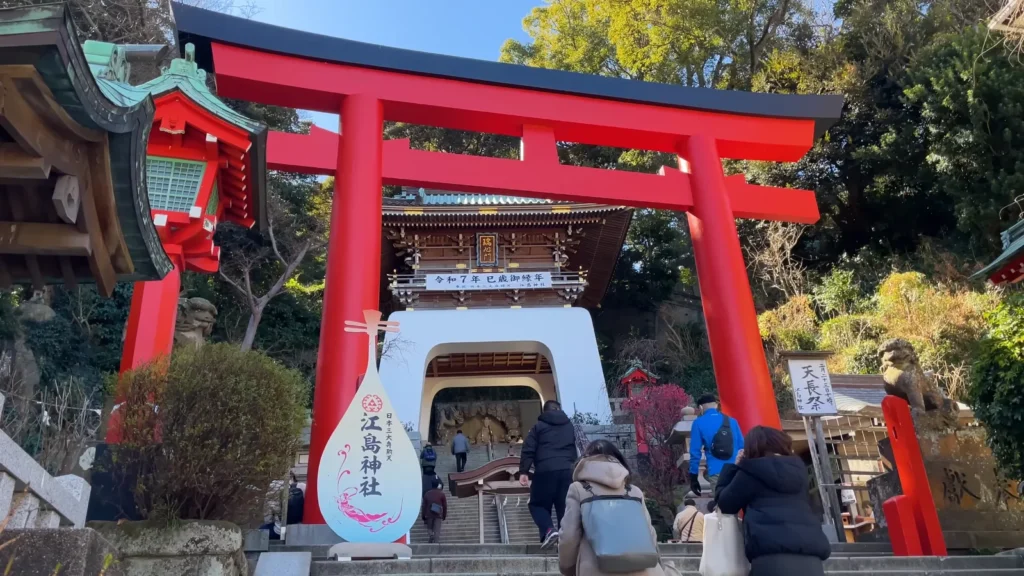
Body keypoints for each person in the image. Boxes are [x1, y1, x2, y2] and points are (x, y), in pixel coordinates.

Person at [714, 426, 831, 576]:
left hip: (770, 558)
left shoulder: (751, 471)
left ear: (751, 447)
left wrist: (732, 468)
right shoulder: (799, 471)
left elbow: (726, 504)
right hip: (811, 557)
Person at [558, 439, 673, 576]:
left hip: (596, 569)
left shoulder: (579, 489)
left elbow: (569, 536)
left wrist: (567, 567)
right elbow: (650, 534)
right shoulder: (634, 491)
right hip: (643, 568)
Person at [518, 399, 578, 548]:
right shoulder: (570, 426)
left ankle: (549, 529)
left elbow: (528, 449)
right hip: (567, 470)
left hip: (545, 470)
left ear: (544, 412)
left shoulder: (538, 427)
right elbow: (577, 447)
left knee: (537, 504)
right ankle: (565, 544)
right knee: (563, 507)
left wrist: (524, 471)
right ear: (559, 409)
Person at [689, 394, 744, 497]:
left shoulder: (698, 423)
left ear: (700, 407)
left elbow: (695, 452)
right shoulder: (732, 421)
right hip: (737, 471)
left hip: (716, 471)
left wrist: (693, 477)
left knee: (722, 507)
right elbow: (742, 447)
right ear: (716, 405)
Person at [421, 475, 448, 544]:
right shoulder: (441, 494)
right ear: (437, 485)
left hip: (429, 514)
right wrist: (444, 515)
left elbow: (424, 506)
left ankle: (431, 535)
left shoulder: (427, 494)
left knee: (429, 528)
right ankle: (436, 543)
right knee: (437, 530)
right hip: (438, 514)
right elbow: (445, 506)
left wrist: (423, 516)